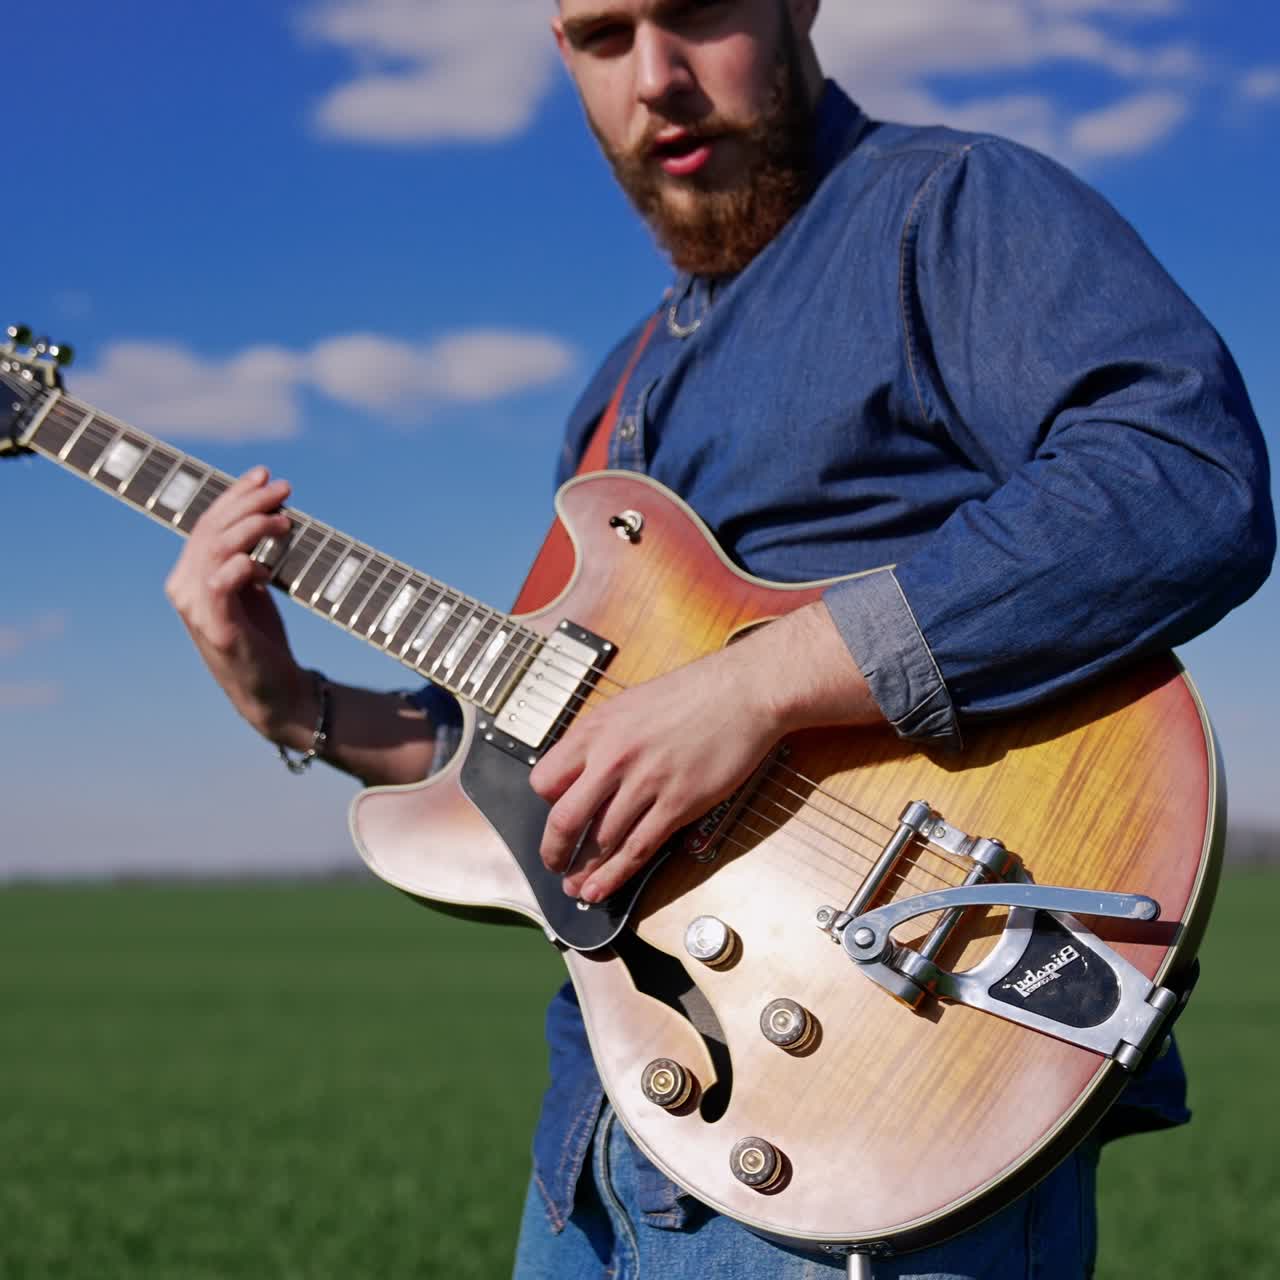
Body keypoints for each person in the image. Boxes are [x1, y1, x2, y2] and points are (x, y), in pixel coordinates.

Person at [164, 1, 1274, 1276]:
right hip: (605, 1136)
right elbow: (518, 761)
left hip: (893, 1093)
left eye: (694, 11)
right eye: (598, 36)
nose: (656, 79)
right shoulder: (612, 395)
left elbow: (1179, 478)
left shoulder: (942, 207)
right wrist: (291, 701)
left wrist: (751, 692)